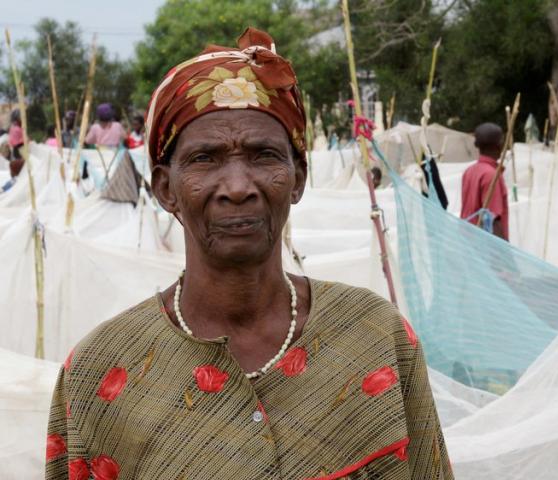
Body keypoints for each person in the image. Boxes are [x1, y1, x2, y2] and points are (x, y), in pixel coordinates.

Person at [45, 28, 452, 480]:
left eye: (263, 156)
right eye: (205, 159)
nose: (238, 187)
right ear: (165, 188)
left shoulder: (376, 336)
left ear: (297, 178)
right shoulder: (97, 374)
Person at [460, 122, 509, 240]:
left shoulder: (469, 172)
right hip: (484, 248)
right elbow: (493, 221)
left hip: (467, 244)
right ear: (498, 146)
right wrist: (505, 256)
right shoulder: (491, 176)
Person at [6, 109, 25, 178]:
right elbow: (17, 144)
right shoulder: (16, 129)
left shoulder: (15, 128)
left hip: (17, 153)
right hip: (18, 154)